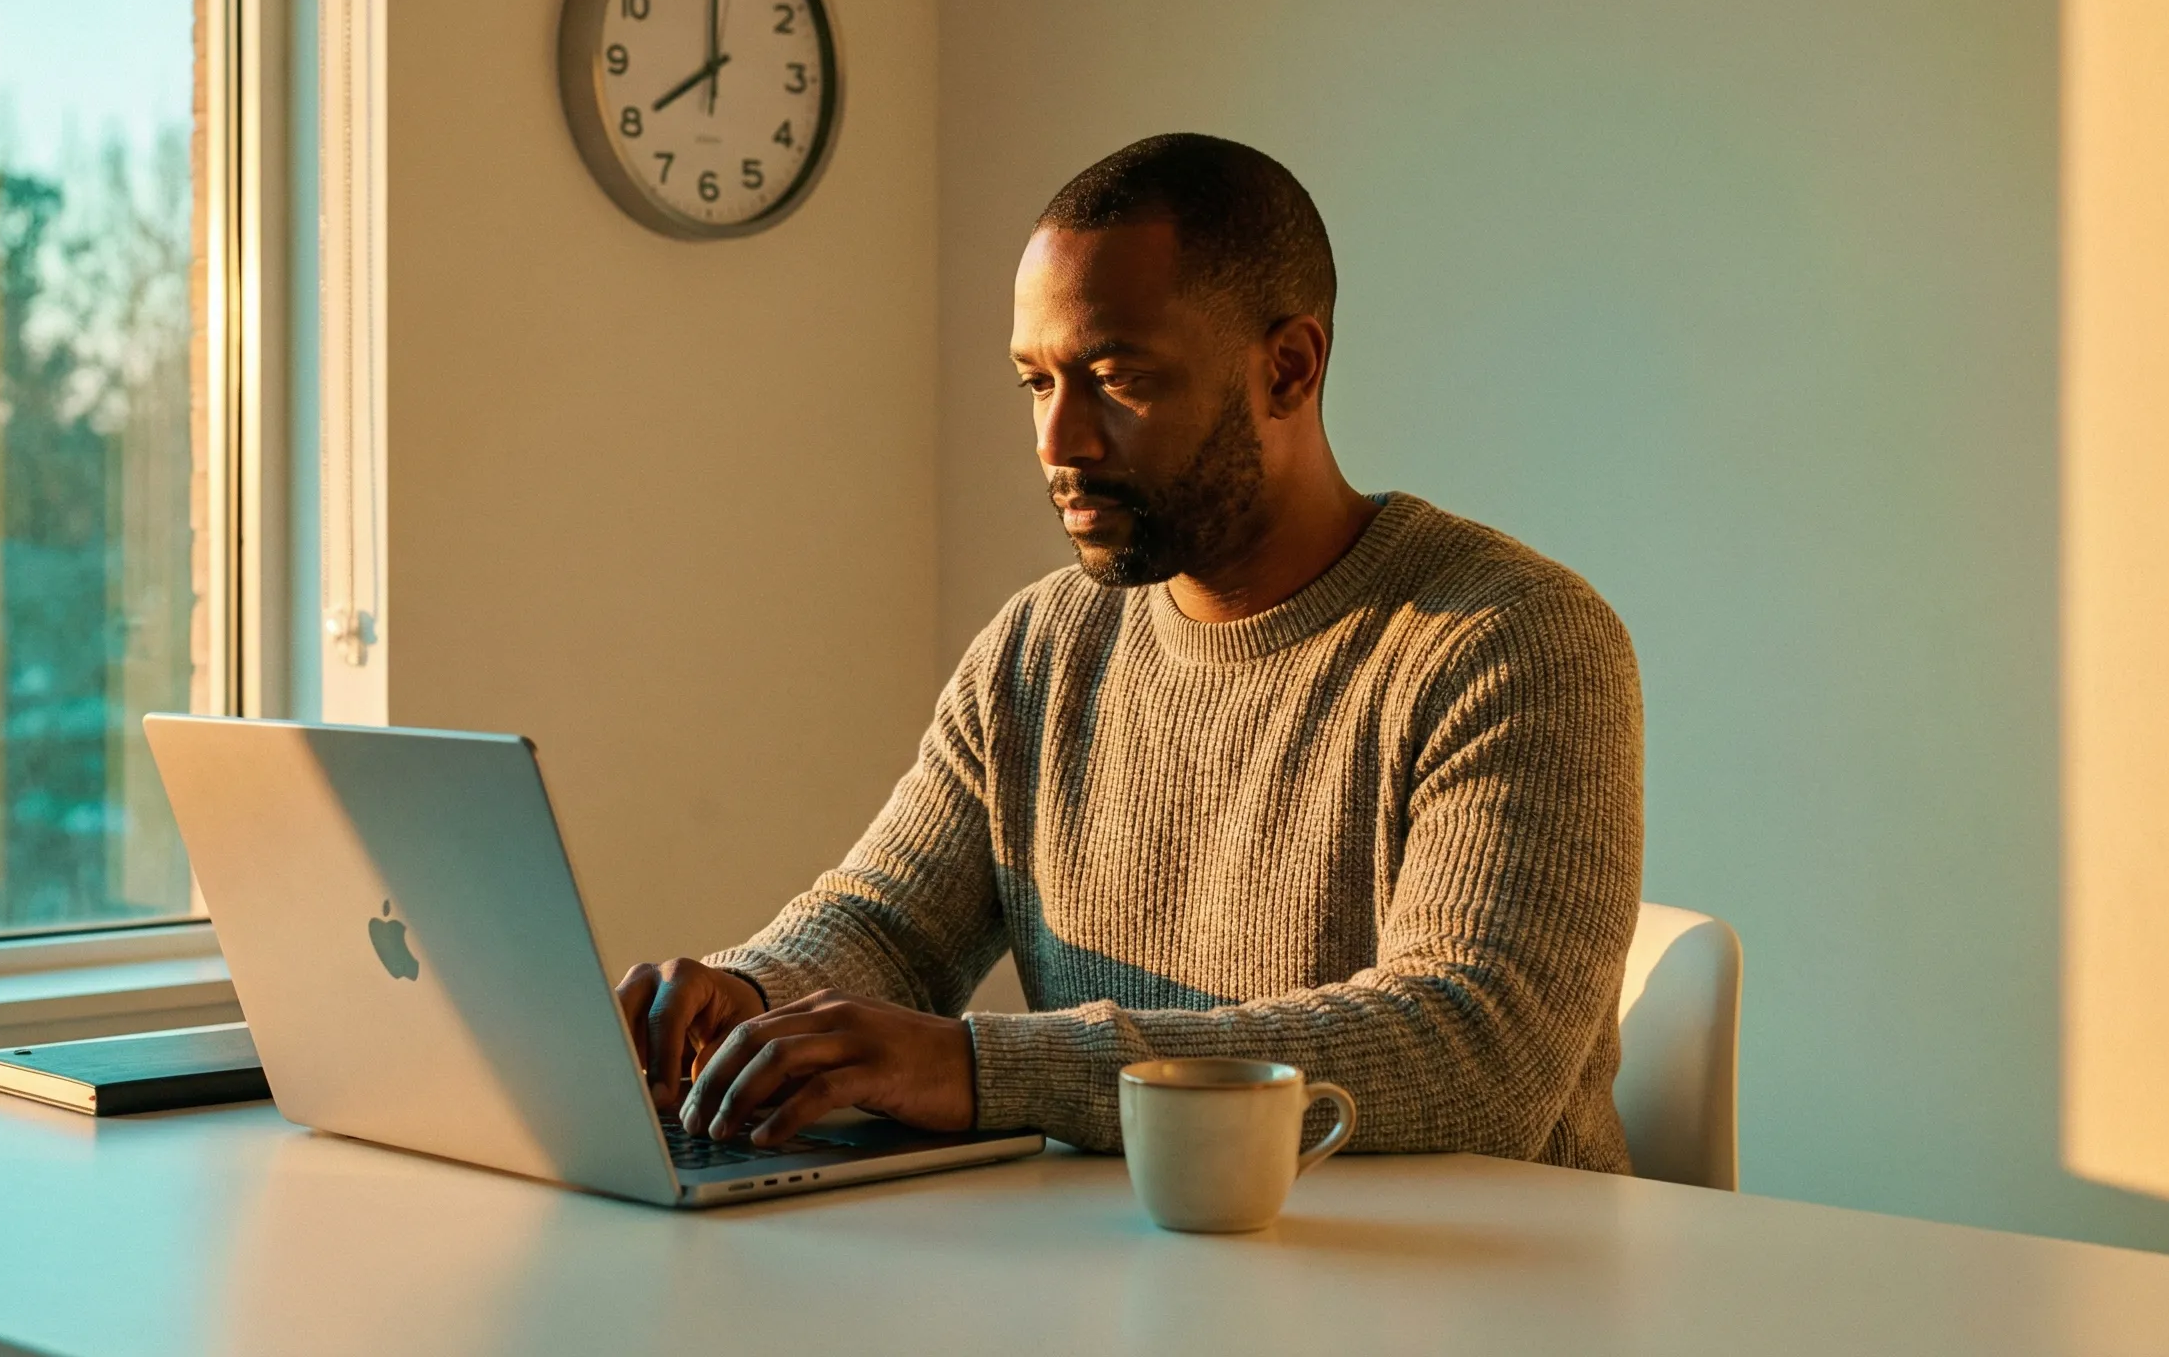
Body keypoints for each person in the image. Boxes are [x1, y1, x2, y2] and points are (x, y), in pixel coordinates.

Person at [616, 134, 1644, 1171]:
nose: (1058, 441)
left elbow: (1474, 1054)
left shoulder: (1511, 637)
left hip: (1468, 1264)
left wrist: (981, 1070)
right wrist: (745, 996)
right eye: (1036, 382)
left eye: (1116, 378)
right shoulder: (1040, 646)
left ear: (1288, 368)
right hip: (1131, 1255)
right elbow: (889, 928)